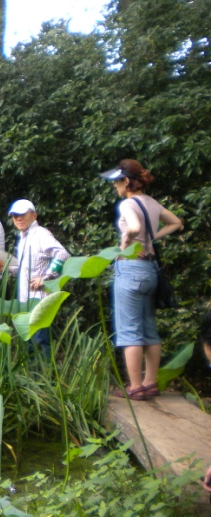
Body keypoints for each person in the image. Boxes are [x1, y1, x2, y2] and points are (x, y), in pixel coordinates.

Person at [102, 160, 183, 400]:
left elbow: (135, 226)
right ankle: (150, 383)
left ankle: (135, 386)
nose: (114, 186)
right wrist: (152, 237)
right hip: (150, 271)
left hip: (130, 270)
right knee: (149, 328)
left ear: (126, 181)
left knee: (129, 331)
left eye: (116, 181)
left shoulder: (127, 203)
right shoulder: (152, 203)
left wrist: (125, 243)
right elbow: (176, 222)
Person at [5, 199, 69, 355]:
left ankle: (44, 377)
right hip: (25, 298)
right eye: (14, 216)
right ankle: (34, 377)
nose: (18, 219)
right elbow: (25, 268)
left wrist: (46, 277)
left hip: (39, 298)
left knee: (39, 343)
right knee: (30, 344)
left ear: (34, 215)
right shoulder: (23, 237)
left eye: (22, 215)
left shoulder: (41, 234)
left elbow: (62, 254)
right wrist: (6, 268)